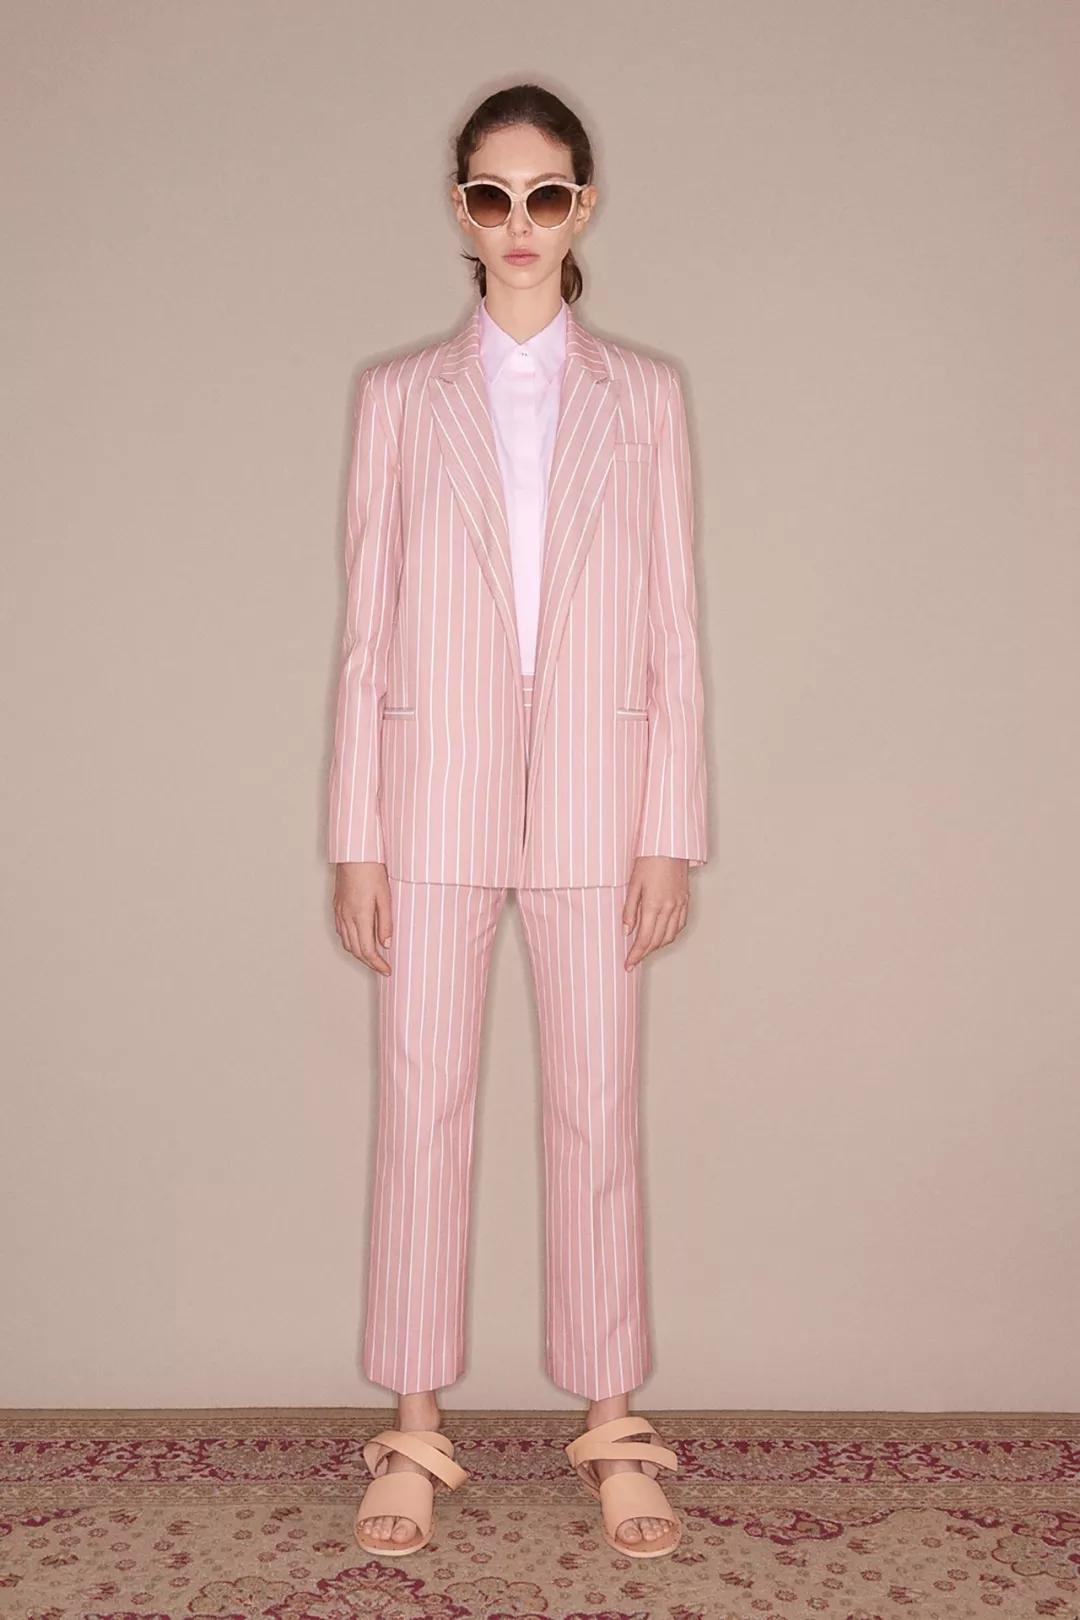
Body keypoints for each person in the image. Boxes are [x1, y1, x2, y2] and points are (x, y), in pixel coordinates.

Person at [328, 83, 707, 1561]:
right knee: (420, 1107)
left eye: (546, 196)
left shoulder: (647, 398)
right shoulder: (398, 397)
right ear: (462, 212)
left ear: (583, 207)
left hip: (601, 803)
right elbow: (367, 631)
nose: (520, 224)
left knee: (597, 1108)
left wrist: (669, 828)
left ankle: (612, 1427)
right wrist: (356, 835)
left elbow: (672, 627)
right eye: (493, 197)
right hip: (430, 795)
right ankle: (415, 1425)